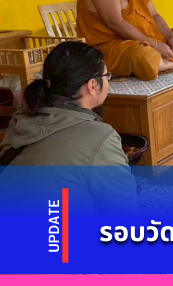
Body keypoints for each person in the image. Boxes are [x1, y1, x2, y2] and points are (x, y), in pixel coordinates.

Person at [0, 42, 138, 214]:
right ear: (93, 85)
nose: (107, 80)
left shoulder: (22, 118)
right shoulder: (99, 137)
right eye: (106, 76)